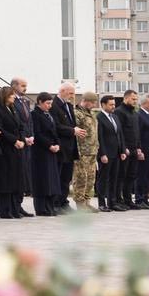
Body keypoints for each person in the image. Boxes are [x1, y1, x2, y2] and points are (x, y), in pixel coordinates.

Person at [0, 85, 26, 219]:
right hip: (5, 148)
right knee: (5, 179)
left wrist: (21, 139)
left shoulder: (13, 108)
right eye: (11, 95)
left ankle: (14, 208)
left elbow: (20, 126)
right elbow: (0, 128)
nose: (13, 97)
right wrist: (14, 140)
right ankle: (4, 210)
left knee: (15, 179)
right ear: (5, 96)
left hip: (16, 148)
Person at [29, 92, 62, 216]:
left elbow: (54, 131)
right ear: (40, 102)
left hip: (51, 151)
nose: (49, 106)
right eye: (47, 103)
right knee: (42, 180)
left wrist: (57, 144)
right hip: (41, 152)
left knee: (51, 180)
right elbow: (37, 134)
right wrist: (49, 145)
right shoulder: (35, 114)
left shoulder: (48, 115)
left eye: (51, 103)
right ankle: (41, 208)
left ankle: (50, 206)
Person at [52, 83, 83, 211]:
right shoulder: (54, 105)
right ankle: (56, 203)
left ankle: (63, 202)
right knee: (59, 177)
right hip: (60, 146)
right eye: (70, 93)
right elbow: (56, 126)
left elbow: (72, 124)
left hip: (70, 147)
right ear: (62, 91)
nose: (72, 96)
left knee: (66, 177)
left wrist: (75, 130)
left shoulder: (68, 106)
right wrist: (72, 131)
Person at [94, 95, 122, 212]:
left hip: (116, 153)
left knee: (114, 179)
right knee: (103, 179)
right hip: (106, 154)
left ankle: (112, 202)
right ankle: (101, 203)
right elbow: (99, 137)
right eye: (111, 104)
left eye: (114, 104)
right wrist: (102, 154)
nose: (113, 106)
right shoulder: (99, 118)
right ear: (103, 105)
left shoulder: (115, 117)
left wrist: (122, 150)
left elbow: (119, 134)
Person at [115, 89, 141, 211]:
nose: (135, 101)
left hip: (134, 150)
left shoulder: (134, 113)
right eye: (133, 99)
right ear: (126, 98)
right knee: (122, 176)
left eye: (136, 99)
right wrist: (124, 148)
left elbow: (137, 133)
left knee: (131, 176)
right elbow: (119, 133)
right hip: (125, 151)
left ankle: (128, 200)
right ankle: (118, 200)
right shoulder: (119, 112)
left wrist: (139, 147)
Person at [71, 92, 99, 210]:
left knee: (91, 178)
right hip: (82, 152)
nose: (94, 105)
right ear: (86, 101)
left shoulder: (91, 114)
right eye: (92, 102)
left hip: (92, 151)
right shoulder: (77, 113)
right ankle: (80, 204)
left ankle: (87, 201)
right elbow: (75, 134)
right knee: (81, 178)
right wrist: (77, 151)